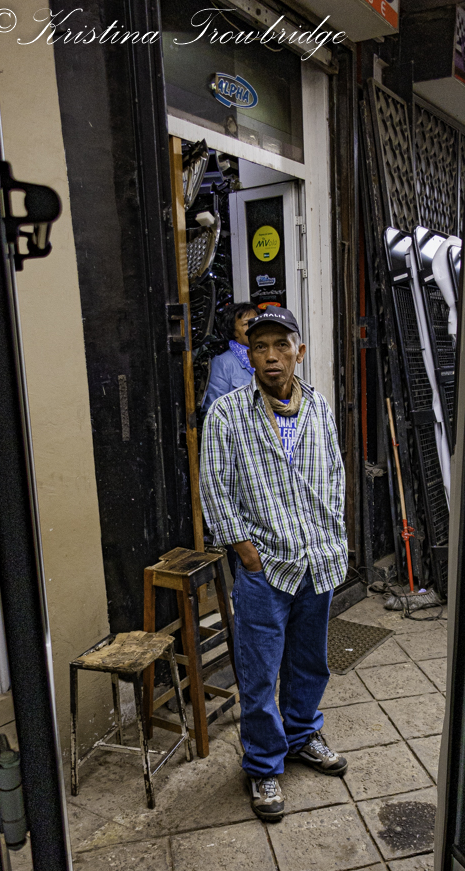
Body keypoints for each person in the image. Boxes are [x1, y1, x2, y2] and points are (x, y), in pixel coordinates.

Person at [200, 306, 348, 822]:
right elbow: (215, 489)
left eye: (281, 346)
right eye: (259, 346)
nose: (270, 356)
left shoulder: (319, 407)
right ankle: (264, 765)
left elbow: (335, 474)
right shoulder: (227, 414)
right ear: (249, 354)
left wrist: (333, 537)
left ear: (298, 352)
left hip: (317, 561)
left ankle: (303, 735)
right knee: (259, 673)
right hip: (265, 568)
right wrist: (247, 553)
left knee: (310, 662)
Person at [201, 301, 258, 413]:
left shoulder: (269, 357)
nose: (254, 327)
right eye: (247, 324)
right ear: (233, 332)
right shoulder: (223, 363)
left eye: (256, 322)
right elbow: (213, 411)